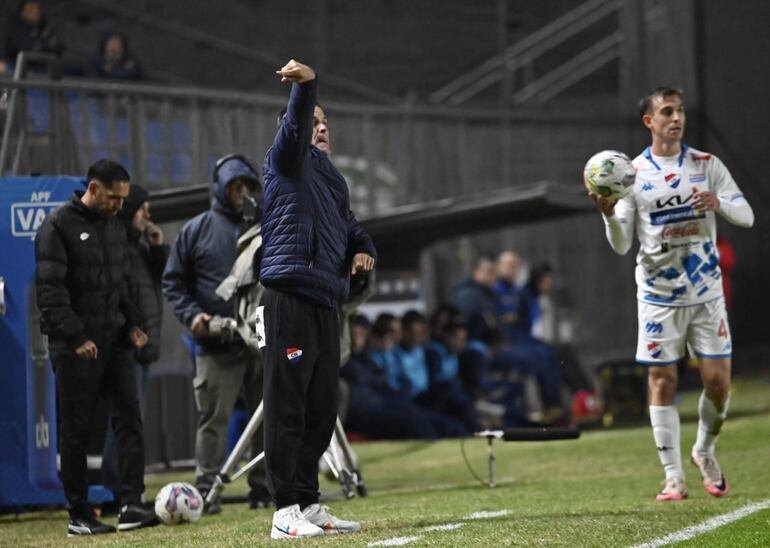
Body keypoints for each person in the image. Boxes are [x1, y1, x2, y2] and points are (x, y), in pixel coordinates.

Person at [590, 87, 754, 501]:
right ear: (650, 121)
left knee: (717, 383)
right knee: (661, 380)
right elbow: (623, 243)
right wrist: (610, 217)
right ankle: (673, 476)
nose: (676, 118)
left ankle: (704, 450)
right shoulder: (631, 175)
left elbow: (747, 216)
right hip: (659, 295)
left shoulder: (706, 165)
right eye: (667, 111)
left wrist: (718, 203)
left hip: (705, 292)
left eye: (679, 110)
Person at [259, 59, 376, 539]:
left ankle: (308, 503)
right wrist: (307, 88)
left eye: (327, 124)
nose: (322, 128)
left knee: (322, 407)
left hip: (327, 300)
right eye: (315, 122)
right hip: (289, 293)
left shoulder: (330, 178)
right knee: (287, 405)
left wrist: (365, 248)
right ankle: (283, 510)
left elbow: (350, 229)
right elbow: (297, 121)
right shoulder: (284, 159)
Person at [34, 159, 158, 536]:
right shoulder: (56, 226)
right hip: (75, 347)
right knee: (76, 429)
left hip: (115, 340)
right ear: (93, 188)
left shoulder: (115, 226)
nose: (121, 206)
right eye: (115, 198)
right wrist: (75, 337)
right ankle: (79, 514)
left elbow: (119, 283)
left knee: (129, 420)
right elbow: (50, 293)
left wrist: (134, 323)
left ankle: (132, 503)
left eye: (124, 199)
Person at [162, 154, 271, 512]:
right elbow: (173, 283)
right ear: (220, 189)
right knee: (214, 419)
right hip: (214, 340)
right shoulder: (196, 229)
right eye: (234, 186)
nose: (241, 193)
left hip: (262, 336)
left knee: (266, 416)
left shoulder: (268, 225)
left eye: (248, 186)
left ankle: (265, 488)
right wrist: (193, 316)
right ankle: (206, 493)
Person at [100, 183, 168, 513]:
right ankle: (116, 490)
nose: (148, 215)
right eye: (143, 208)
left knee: (131, 421)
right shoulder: (118, 246)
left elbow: (152, 284)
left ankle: (122, 489)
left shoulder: (138, 246)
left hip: (142, 346)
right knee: (126, 421)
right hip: (129, 346)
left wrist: (157, 249)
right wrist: (131, 331)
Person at [3, 1, 64, 67]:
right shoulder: (16, 26)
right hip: (16, 65)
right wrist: (43, 41)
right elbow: (29, 47)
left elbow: (58, 47)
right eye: (29, 10)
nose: (34, 13)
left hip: (42, 66)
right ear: (22, 13)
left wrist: (44, 43)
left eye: (36, 10)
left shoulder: (43, 25)